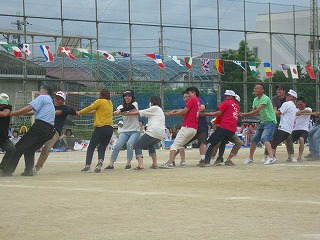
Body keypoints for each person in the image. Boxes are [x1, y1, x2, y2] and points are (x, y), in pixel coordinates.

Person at [1, 85, 56, 176]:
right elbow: (31, 112)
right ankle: (28, 171)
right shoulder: (50, 101)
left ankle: (7, 171)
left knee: (18, 147)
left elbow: (29, 108)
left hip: (40, 126)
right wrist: (17, 114)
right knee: (30, 149)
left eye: (40, 91)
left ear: (45, 91)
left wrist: (13, 113)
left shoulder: (43, 97)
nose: (38, 93)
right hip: (49, 131)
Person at [34, 91, 77, 172]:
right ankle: (29, 166)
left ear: (63, 101)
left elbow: (73, 112)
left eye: (60, 98)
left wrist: (61, 112)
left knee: (47, 148)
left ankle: (37, 167)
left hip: (55, 131)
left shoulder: (65, 108)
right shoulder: (50, 106)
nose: (57, 99)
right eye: (56, 97)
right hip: (44, 128)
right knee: (32, 146)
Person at [159, 86, 200, 169]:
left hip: (187, 127)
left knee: (174, 145)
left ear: (193, 92)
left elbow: (184, 111)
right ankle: (180, 161)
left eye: (189, 93)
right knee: (180, 145)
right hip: (194, 128)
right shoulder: (197, 101)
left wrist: (171, 114)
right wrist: (174, 111)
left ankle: (170, 163)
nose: (188, 96)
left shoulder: (192, 100)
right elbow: (184, 112)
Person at [123, 96, 165, 170]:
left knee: (138, 145)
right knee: (150, 145)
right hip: (161, 134)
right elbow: (145, 114)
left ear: (152, 102)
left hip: (153, 131)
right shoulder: (159, 110)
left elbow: (139, 112)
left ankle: (140, 165)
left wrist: (127, 113)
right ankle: (154, 164)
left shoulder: (154, 108)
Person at [77, 89, 114, 173]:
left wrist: (80, 112)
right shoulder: (110, 103)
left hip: (101, 127)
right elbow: (100, 111)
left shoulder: (99, 101)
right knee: (102, 147)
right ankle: (100, 161)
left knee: (91, 147)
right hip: (110, 128)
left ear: (101, 94)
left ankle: (88, 166)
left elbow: (90, 108)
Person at [200, 90, 240, 166]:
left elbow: (218, 112)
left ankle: (206, 161)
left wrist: (205, 114)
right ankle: (219, 159)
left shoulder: (226, 102)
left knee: (210, 143)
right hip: (232, 130)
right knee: (223, 143)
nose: (225, 97)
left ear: (231, 97)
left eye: (226, 96)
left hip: (224, 126)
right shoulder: (237, 106)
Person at [240, 83, 277, 164]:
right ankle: (250, 158)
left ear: (262, 90)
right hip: (263, 121)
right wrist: (246, 114)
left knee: (265, 138)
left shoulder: (265, 98)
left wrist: (245, 114)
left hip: (270, 121)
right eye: (255, 88)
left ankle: (271, 157)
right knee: (254, 140)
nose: (255, 89)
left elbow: (257, 111)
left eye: (257, 88)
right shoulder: (255, 100)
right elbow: (255, 113)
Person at [259, 89, 298, 164]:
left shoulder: (287, 104)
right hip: (288, 130)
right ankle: (271, 157)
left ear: (292, 97)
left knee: (272, 143)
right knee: (274, 143)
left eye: (288, 95)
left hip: (283, 128)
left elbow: (277, 113)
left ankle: (271, 158)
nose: (286, 96)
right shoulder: (293, 106)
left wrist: (269, 110)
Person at [104, 89, 140, 170]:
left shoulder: (135, 104)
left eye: (129, 96)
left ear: (132, 97)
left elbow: (130, 108)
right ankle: (111, 165)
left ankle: (128, 164)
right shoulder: (120, 106)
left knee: (129, 144)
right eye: (125, 96)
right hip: (125, 131)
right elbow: (115, 111)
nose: (127, 98)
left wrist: (120, 111)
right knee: (117, 146)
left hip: (135, 131)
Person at [268, 84, 294, 161]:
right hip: (276, 119)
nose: (278, 91)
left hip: (285, 121)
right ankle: (270, 155)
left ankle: (291, 156)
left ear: (284, 91)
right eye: (277, 90)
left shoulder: (288, 101)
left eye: (280, 89)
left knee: (288, 138)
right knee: (272, 137)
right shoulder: (274, 98)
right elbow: (275, 111)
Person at [287, 96, 312, 162]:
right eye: (298, 104)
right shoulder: (295, 110)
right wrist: (296, 113)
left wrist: (300, 112)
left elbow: (308, 111)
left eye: (301, 104)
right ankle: (289, 156)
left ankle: (299, 157)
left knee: (301, 139)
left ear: (305, 103)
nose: (299, 106)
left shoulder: (308, 109)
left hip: (304, 130)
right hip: (295, 130)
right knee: (288, 141)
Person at [0, 93, 16, 175]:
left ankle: (2, 168)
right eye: (1, 103)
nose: (2, 105)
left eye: (4, 103)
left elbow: (4, 114)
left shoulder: (8, 107)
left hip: (3, 137)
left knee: (11, 149)